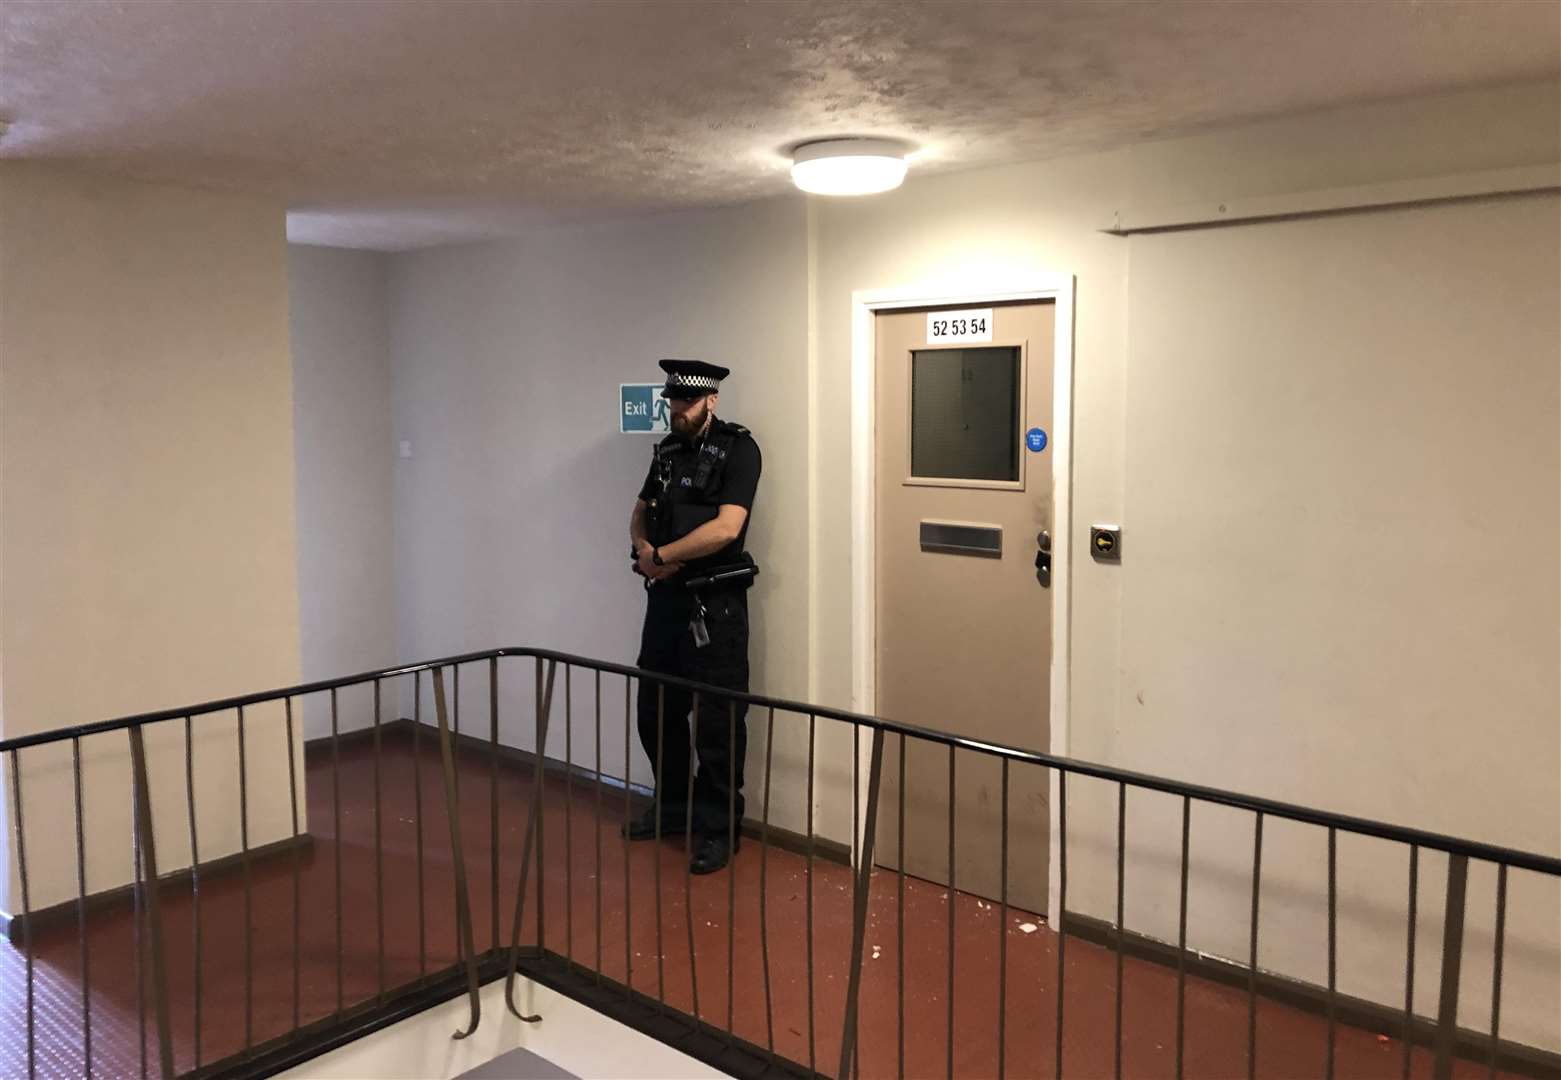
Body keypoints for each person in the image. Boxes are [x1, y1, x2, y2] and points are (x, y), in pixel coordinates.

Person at [625, 358, 761, 874]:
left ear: (711, 400)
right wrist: (642, 545)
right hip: (665, 602)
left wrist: (663, 556)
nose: (676, 409)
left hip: (715, 604)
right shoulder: (666, 451)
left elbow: (727, 529)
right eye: (672, 400)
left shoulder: (739, 449)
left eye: (686, 401)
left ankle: (718, 830)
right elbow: (641, 506)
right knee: (657, 713)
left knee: (719, 724)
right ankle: (673, 809)